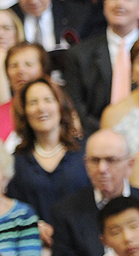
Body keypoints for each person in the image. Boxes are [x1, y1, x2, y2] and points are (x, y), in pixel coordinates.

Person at [63, 0, 139, 134]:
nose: (119, 4)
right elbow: (76, 108)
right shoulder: (79, 54)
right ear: (105, 5)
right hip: (95, 138)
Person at [8, 76, 89, 226]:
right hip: (33, 242)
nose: (41, 108)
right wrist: (33, 225)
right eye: (33, 102)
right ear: (24, 111)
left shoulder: (86, 152)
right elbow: (11, 209)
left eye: (48, 100)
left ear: (60, 106)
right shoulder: (16, 162)